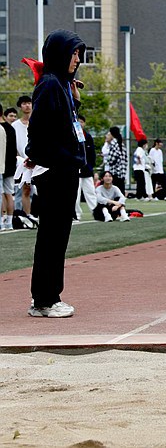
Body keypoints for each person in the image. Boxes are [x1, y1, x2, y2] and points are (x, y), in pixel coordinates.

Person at [25, 29, 87, 318]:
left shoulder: (61, 85)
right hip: (55, 172)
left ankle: (49, 296)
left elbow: (64, 126)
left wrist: (74, 99)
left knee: (58, 234)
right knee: (52, 235)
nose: (77, 59)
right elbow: (38, 132)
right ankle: (45, 299)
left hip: (64, 169)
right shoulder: (49, 84)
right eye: (73, 53)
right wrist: (54, 160)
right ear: (60, 53)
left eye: (78, 54)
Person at [73, 114, 97, 222]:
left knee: (90, 193)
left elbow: (92, 154)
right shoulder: (71, 135)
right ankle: (76, 214)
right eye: (78, 121)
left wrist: (90, 166)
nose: (80, 124)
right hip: (75, 171)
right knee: (76, 195)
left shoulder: (88, 137)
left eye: (82, 122)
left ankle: (95, 212)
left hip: (87, 171)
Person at [12, 95, 33, 215]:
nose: (27, 105)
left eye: (29, 103)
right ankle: (27, 215)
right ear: (20, 106)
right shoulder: (15, 125)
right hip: (23, 161)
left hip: (39, 160)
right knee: (26, 189)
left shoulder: (37, 121)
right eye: (24, 103)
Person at [1, 104, 17, 230]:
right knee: (9, 193)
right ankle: (9, 222)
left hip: (2, 165)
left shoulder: (2, 128)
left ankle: (2, 220)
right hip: (11, 165)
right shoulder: (11, 129)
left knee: (2, 194)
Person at [103, 126, 127, 194]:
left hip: (115, 171)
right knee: (121, 191)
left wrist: (107, 161)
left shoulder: (114, 144)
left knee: (115, 192)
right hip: (121, 171)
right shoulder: (121, 144)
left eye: (109, 134)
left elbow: (112, 159)